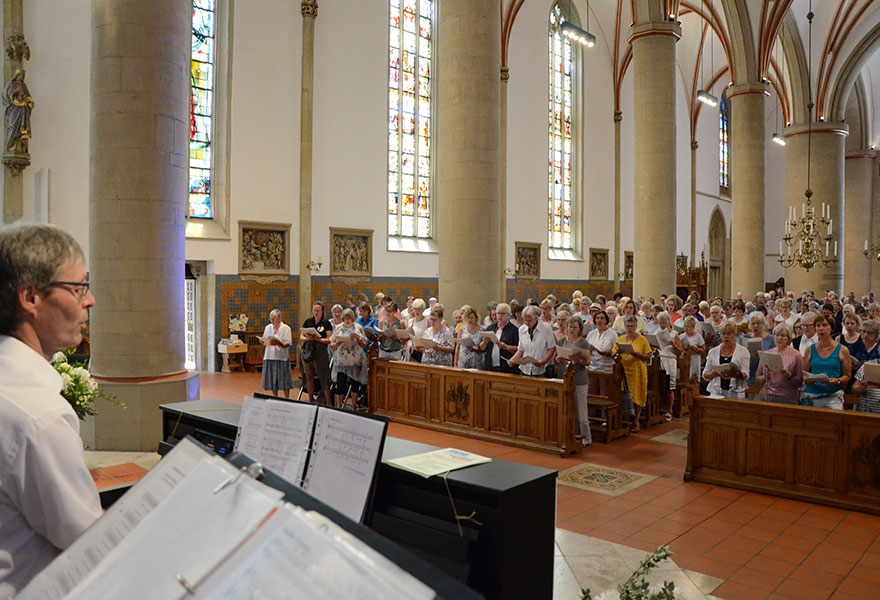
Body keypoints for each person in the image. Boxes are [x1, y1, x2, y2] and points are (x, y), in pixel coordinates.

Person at [0, 223, 102, 596]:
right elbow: (90, 545)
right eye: (78, 288)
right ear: (30, 298)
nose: (89, 300)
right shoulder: (38, 416)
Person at [801, 314, 851, 410]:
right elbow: (804, 374)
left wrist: (837, 380)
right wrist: (808, 379)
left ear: (831, 328)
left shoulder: (842, 350)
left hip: (832, 395)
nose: (821, 328)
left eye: (824, 325)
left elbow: (847, 376)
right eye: (818, 326)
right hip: (811, 394)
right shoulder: (809, 350)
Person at [556, 316, 591, 446]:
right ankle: (570, 434)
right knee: (566, 409)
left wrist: (579, 360)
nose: (572, 329)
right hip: (564, 376)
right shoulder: (561, 341)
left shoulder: (583, 343)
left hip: (579, 378)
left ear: (579, 329)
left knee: (581, 412)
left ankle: (586, 437)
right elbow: (557, 357)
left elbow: (587, 361)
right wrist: (559, 359)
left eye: (575, 327)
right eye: (570, 326)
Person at [613, 315, 652, 432]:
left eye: (632, 326)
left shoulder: (642, 339)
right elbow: (613, 356)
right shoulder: (620, 339)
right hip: (623, 371)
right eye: (627, 326)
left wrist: (636, 354)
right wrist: (618, 353)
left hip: (637, 371)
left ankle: (636, 421)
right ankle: (624, 420)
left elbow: (648, 357)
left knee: (636, 395)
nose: (629, 328)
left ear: (636, 326)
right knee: (622, 395)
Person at [755, 323, 804, 405]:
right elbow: (757, 380)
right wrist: (764, 377)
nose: (779, 338)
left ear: (788, 338)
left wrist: (789, 376)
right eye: (777, 335)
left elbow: (800, 382)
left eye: (783, 336)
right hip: (766, 396)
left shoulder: (796, 355)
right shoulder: (767, 353)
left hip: (787, 398)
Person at [329, 308, 368, 408]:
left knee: (355, 384)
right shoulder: (338, 328)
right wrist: (338, 343)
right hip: (341, 361)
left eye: (349, 318)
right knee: (340, 384)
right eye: (345, 318)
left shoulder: (358, 328)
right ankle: (339, 405)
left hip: (355, 360)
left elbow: (364, 344)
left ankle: (354, 406)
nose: (347, 320)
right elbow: (332, 344)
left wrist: (359, 341)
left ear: (352, 318)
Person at [703, 321, 750, 398]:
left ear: (735, 334)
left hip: (736, 393)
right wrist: (714, 374)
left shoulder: (743, 351)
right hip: (716, 392)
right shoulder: (713, 351)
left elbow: (745, 374)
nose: (726, 336)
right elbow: (705, 374)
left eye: (729, 334)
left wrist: (733, 374)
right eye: (723, 334)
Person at [300, 301, 333, 405]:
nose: (316, 312)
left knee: (324, 377)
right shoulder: (308, 322)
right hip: (308, 351)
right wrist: (308, 338)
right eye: (314, 310)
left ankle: (328, 402)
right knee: (309, 376)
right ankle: (311, 400)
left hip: (321, 352)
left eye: (318, 310)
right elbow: (301, 337)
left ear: (322, 311)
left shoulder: (326, 323)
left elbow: (329, 340)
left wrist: (318, 339)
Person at [509, 305, 556, 377]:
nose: (527, 323)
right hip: (524, 369)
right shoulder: (521, 329)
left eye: (529, 320)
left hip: (540, 370)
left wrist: (545, 360)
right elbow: (520, 349)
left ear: (536, 318)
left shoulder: (546, 328)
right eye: (525, 320)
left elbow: (551, 348)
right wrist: (512, 360)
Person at [259, 309, 293, 398]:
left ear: (279, 318)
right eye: (271, 319)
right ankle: (275, 396)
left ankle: (287, 397)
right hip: (270, 356)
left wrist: (280, 344)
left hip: (281, 356)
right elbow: (265, 339)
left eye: (274, 319)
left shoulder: (286, 328)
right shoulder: (268, 327)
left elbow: (288, 342)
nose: (272, 321)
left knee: (284, 379)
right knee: (273, 379)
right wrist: (263, 341)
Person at [480, 302, 519, 374]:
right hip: (490, 365)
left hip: (506, 366)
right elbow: (482, 348)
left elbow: (519, 349)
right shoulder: (490, 327)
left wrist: (506, 347)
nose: (499, 316)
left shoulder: (514, 330)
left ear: (508, 315)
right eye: (498, 313)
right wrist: (485, 341)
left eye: (502, 314)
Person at [586, 309, 617, 396]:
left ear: (606, 320)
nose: (599, 320)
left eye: (602, 318)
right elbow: (587, 349)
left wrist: (607, 353)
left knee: (604, 396)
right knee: (592, 395)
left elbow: (616, 351)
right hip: (592, 368)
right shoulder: (591, 333)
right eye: (597, 318)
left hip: (606, 369)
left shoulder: (612, 334)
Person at [2, 69, 33, 154]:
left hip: (22, 110)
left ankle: (20, 145)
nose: (21, 77)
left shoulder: (23, 85)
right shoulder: (11, 84)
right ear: (16, 75)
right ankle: (10, 145)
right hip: (13, 109)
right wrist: (14, 94)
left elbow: (28, 96)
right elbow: (7, 96)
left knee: (22, 128)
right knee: (12, 125)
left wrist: (27, 100)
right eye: (19, 75)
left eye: (22, 75)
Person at [739, 311, 774, 385]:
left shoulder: (771, 339)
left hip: (764, 373)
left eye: (758, 323)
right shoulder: (744, 338)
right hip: (748, 370)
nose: (755, 326)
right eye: (753, 323)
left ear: (763, 324)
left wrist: (762, 356)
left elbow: (774, 357)